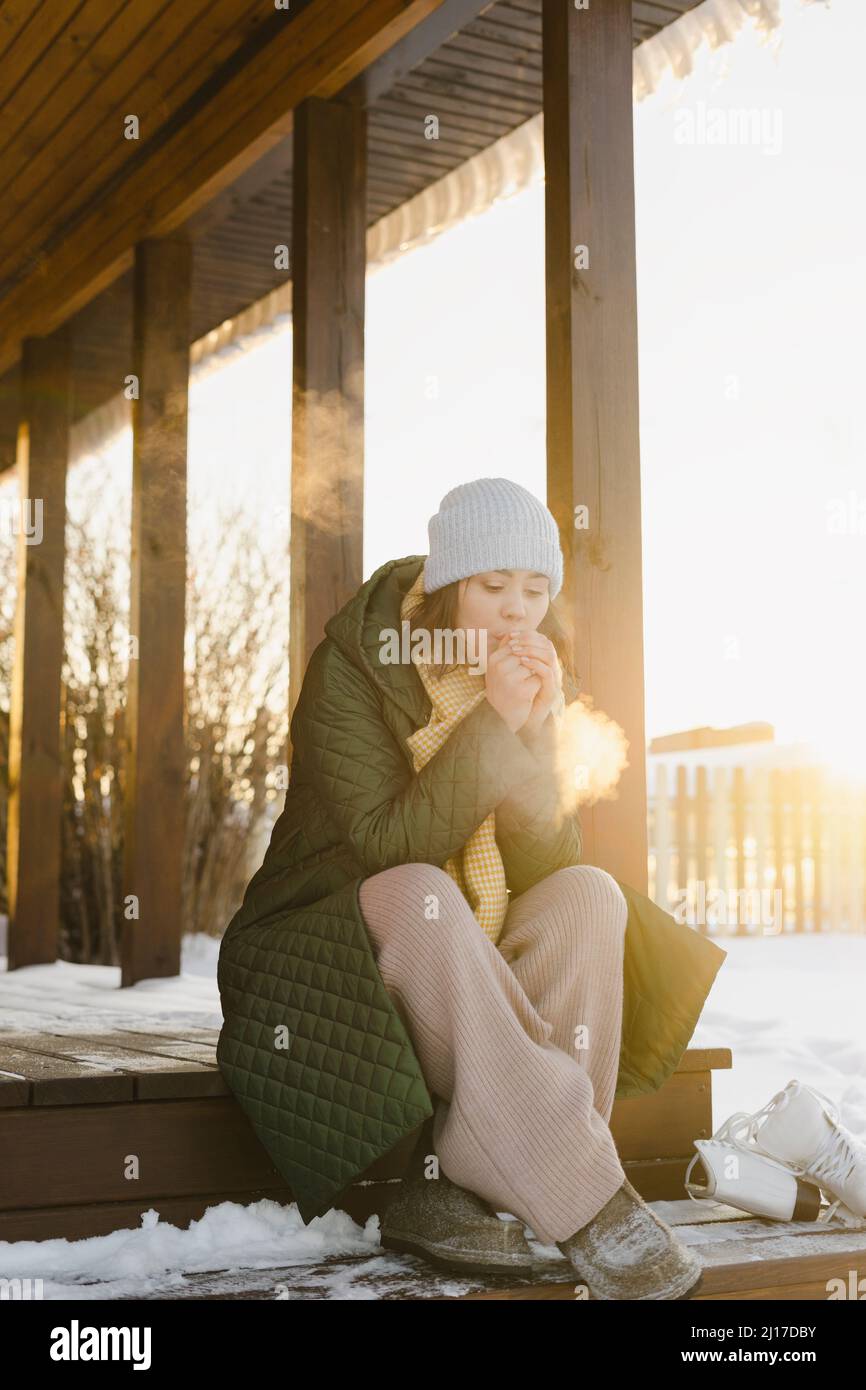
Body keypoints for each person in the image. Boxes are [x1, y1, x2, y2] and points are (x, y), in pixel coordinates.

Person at [216, 476, 727, 1300]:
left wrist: (533, 731)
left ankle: (465, 1184)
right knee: (421, 888)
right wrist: (494, 725)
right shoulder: (353, 665)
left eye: (534, 590)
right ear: (451, 585)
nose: (517, 610)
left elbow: (546, 863)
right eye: (494, 588)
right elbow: (388, 845)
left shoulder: (530, 676)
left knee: (589, 894)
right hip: (327, 945)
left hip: (462, 953)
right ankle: (587, 1197)